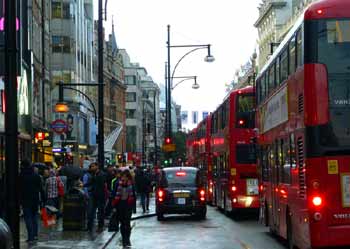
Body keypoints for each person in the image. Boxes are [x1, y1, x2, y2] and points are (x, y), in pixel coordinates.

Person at [18, 159, 44, 244]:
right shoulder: (36, 175)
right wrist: (43, 200)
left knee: (28, 218)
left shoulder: (21, 175)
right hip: (35, 199)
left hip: (25, 200)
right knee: (34, 217)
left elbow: (19, 189)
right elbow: (41, 188)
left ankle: (31, 236)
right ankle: (35, 235)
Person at [112, 170, 136, 247]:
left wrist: (133, 208)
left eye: (126, 176)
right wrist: (114, 207)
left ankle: (127, 239)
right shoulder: (117, 184)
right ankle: (124, 239)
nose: (124, 178)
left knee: (127, 223)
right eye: (123, 176)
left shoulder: (131, 184)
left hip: (128, 205)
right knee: (122, 223)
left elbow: (134, 196)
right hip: (120, 205)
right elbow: (114, 195)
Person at [87, 162, 107, 233]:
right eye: (91, 166)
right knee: (91, 211)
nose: (91, 168)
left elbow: (101, 185)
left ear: (97, 166)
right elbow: (91, 182)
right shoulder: (94, 174)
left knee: (100, 212)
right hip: (94, 195)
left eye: (93, 166)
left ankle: (100, 227)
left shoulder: (101, 174)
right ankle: (90, 226)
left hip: (100, 196)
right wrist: (83, 185)